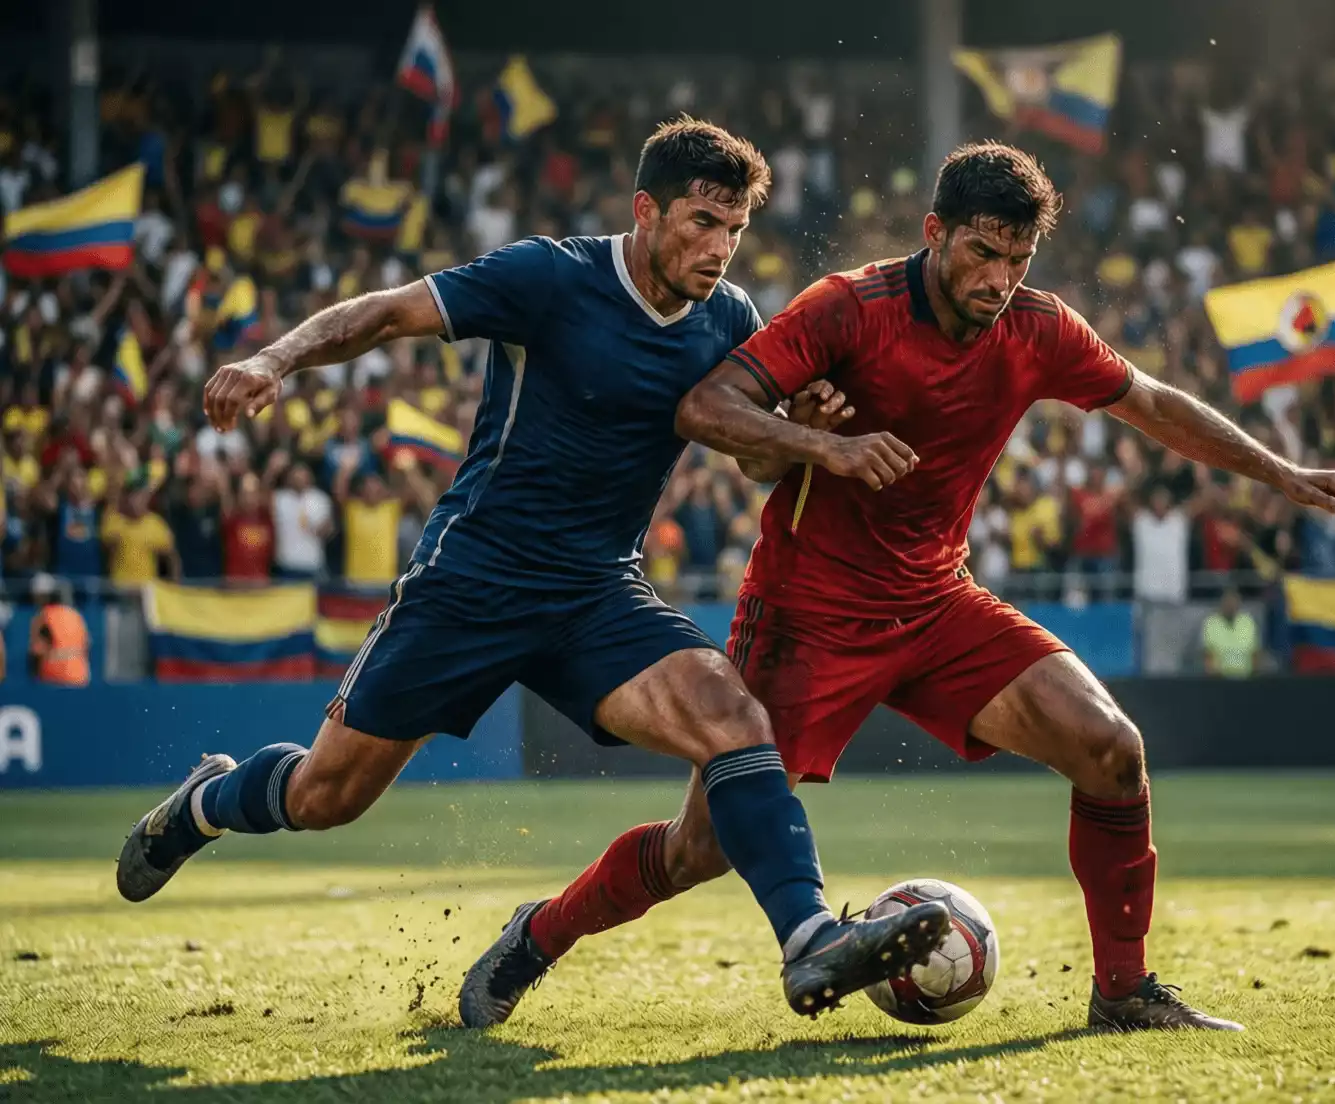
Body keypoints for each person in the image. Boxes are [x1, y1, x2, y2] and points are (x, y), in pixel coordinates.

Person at [491, 141, 1335, 1033]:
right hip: (808, 616)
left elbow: (1150, 401)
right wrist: (824, 444)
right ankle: (541, 933)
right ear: (934, 231)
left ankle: (1124, 992)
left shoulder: (1038, 327)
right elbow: (706, 407)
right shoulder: (846, 308)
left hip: (938, 605)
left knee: (1111, 749)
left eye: (1018, 261)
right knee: (698, 851)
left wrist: (1281, 472)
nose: (999, 280)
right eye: (983, 254)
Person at [114, 117, 948, 1028]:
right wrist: (273, 358)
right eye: (703, 221)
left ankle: (809, 937)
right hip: (473, 577)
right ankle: (205, 803)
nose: (719, 248)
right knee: (324, 797)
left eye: (736, 229)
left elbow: (753, 464)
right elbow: (389, 310)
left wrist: (809, 431)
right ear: (646, 210)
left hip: (597, 590)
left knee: (735, 719)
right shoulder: (550, 276)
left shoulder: (729, 319)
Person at [27, 574, 90, 687]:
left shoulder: (43, 617)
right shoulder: (76, 615)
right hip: (79, 677)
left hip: (53, 678)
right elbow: (87, 646)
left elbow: (36, 652)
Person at [1200, 588, 1260, 677]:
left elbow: (1255, 653)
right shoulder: (1211, 623)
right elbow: (1208, 656)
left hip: (1246, 679)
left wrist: (1255, 678)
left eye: (1234, 602)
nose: (1231, 605)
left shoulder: (1248, 622)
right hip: (1220, 679)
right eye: (1228, 602)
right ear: (1222, 603)